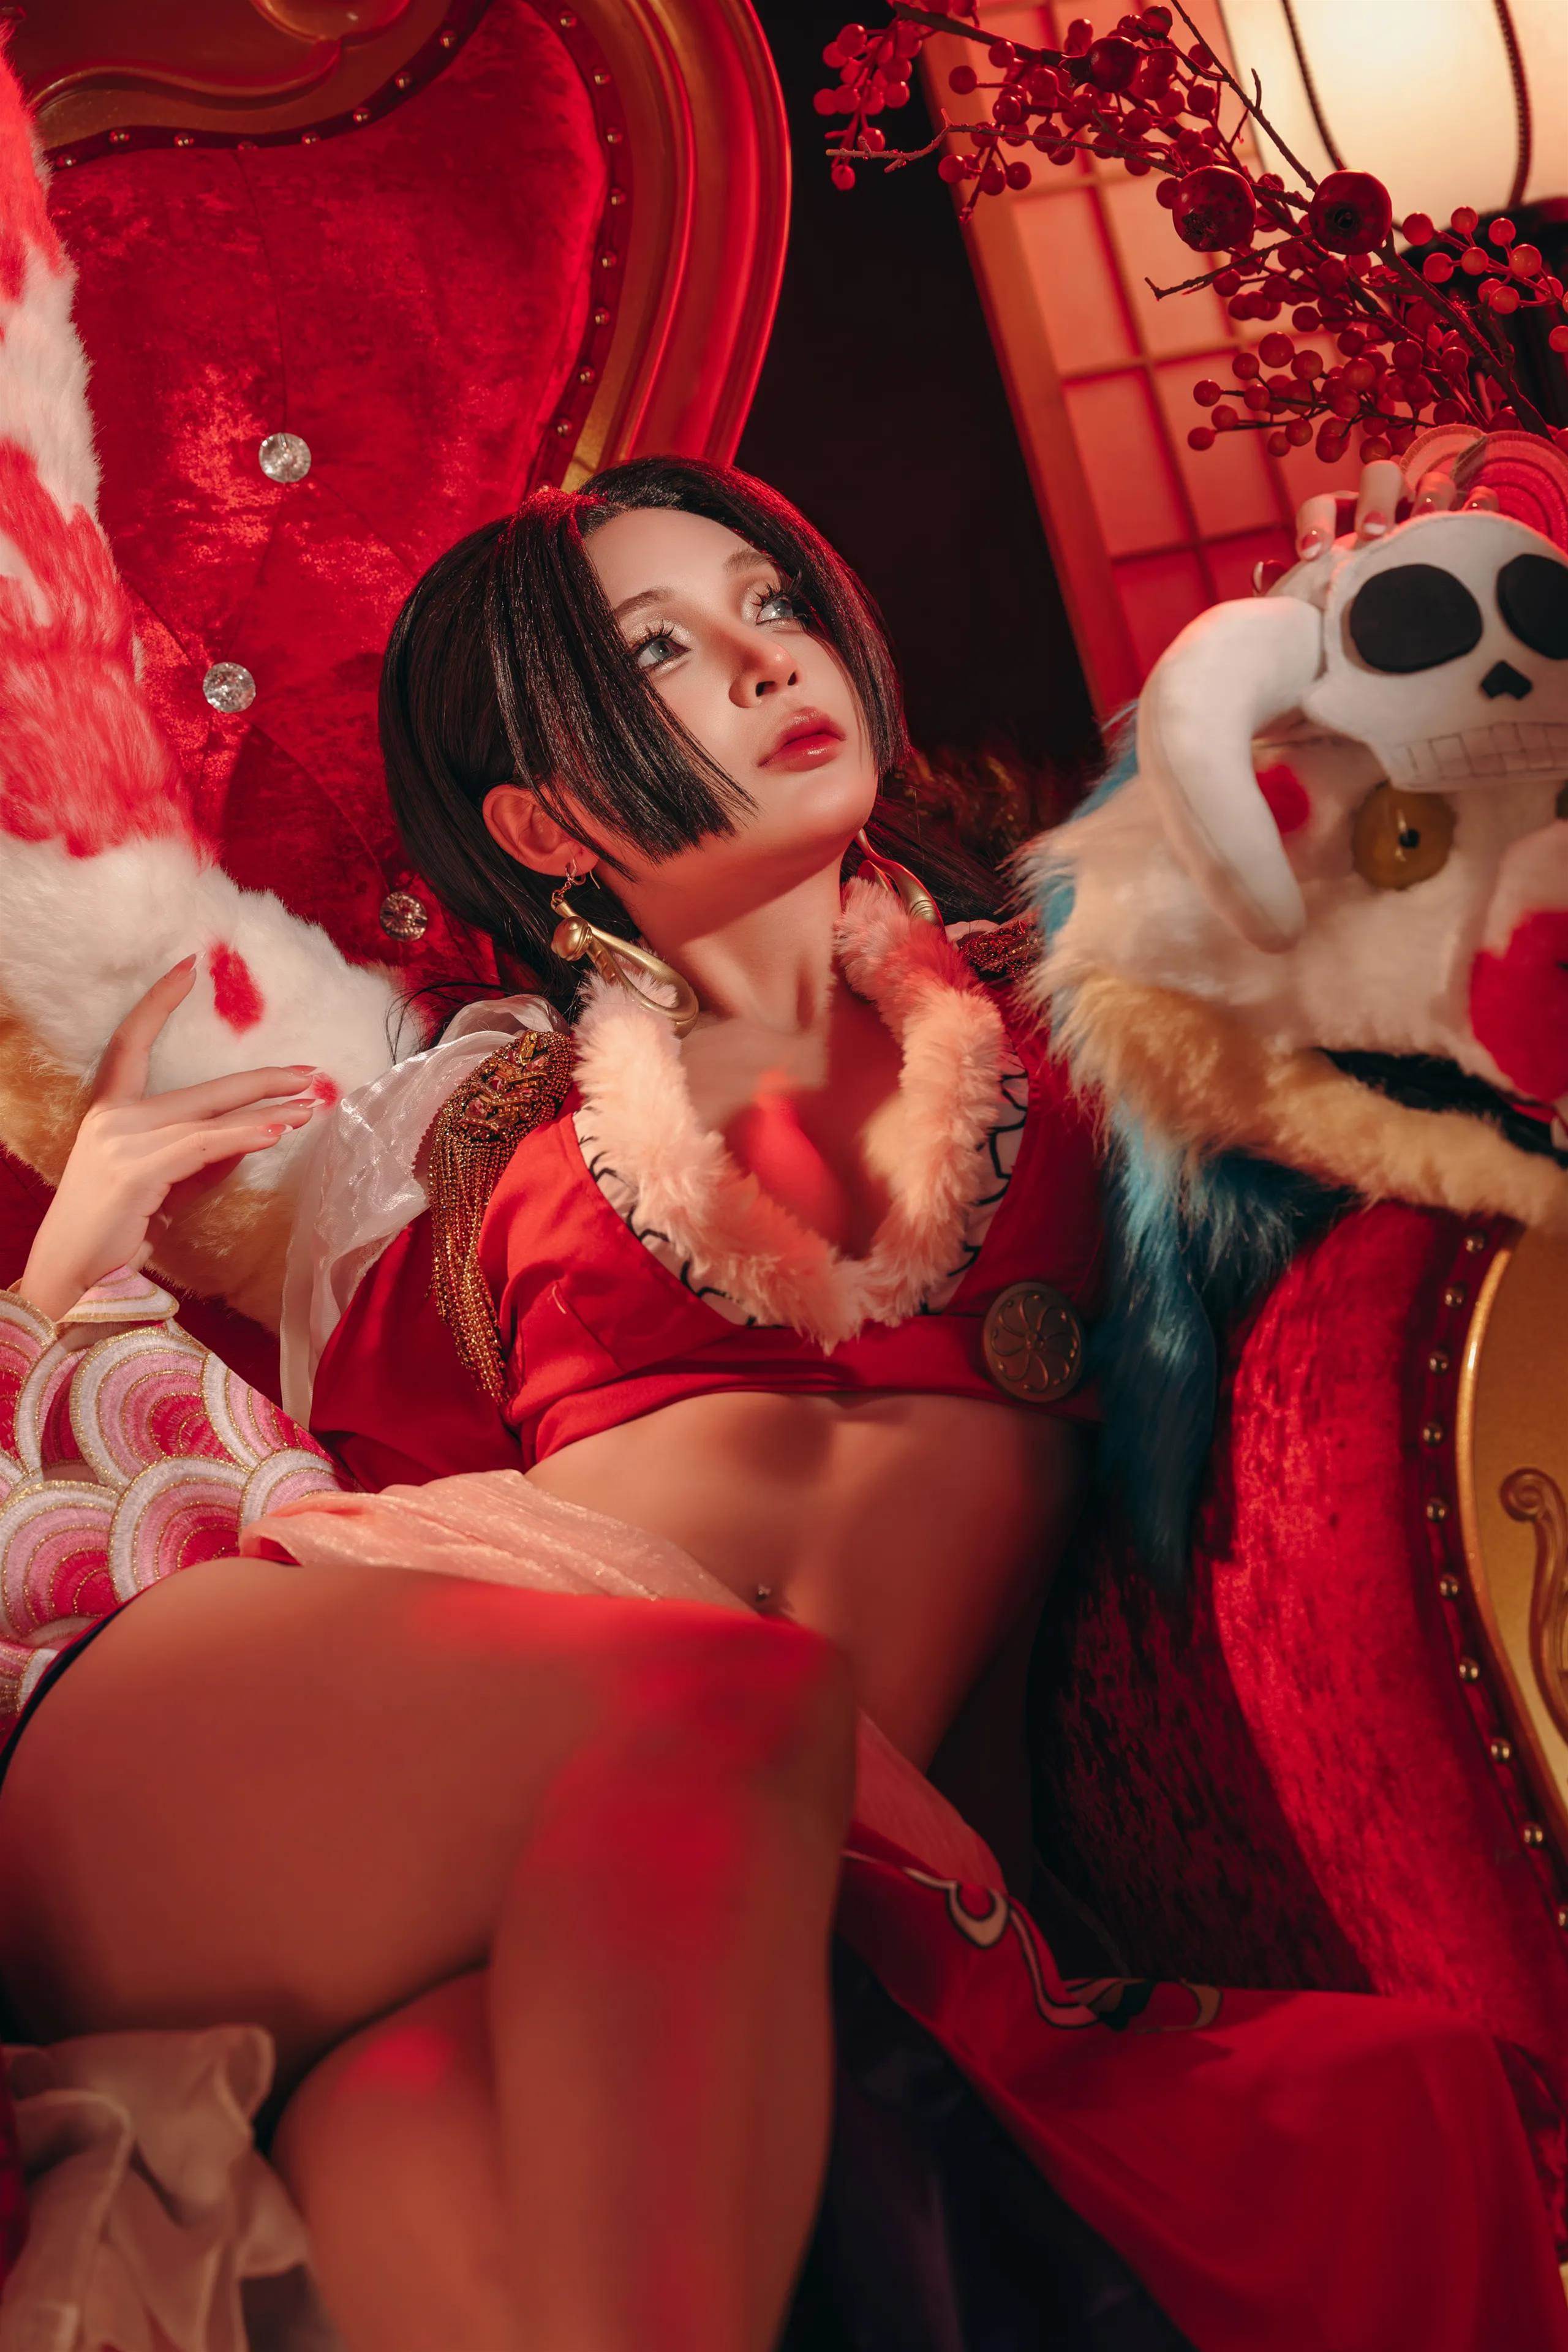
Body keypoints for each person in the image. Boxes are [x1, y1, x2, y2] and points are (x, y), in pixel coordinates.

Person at [0, 457, 1563, 2352]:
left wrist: (1450, 550)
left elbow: (1470, 912)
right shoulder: (449, 1152)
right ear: (545, 823)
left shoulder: (1088, 1018)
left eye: (775, 604)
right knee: (739, 1705)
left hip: (728, 1907)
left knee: (424, 2133)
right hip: (317, 1765)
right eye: (662, 651)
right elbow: (242, 1491)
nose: (763, 660)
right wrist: (66, 1261)